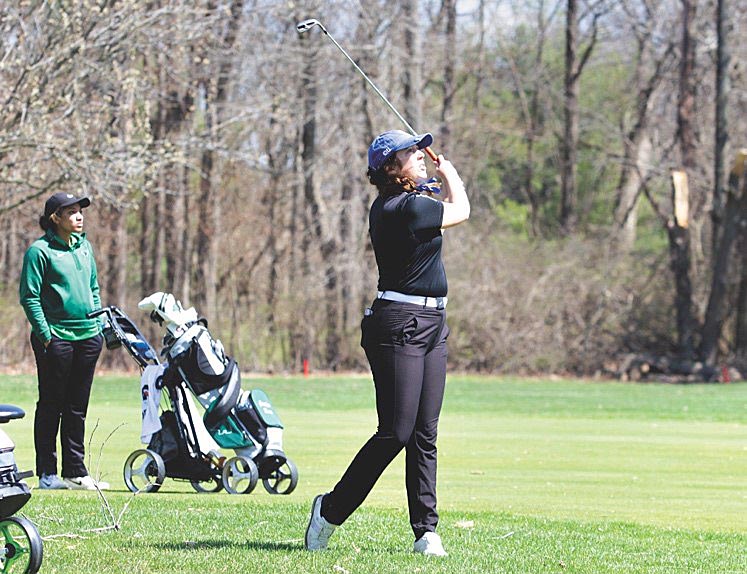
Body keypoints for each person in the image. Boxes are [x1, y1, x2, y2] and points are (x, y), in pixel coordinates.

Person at [305, 130, 470, 556]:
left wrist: (437, 176)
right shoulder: (402, 207)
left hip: (433, 321)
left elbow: (439, 201)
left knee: (424, 433)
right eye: (409, 154)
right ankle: (328, 511)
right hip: (399, 323)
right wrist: (450, 173)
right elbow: (462, 211)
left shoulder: (413, 198)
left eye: (419, 151)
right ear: (389, 169)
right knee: (395, 431)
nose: (418, 156)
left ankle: (426, 531)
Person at [19, 192, 109, 491]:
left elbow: (94, 288)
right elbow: (29, 297)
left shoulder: (85, 248)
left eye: (80, 211)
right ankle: (47, 473)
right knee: (51, 405)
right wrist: (46, 336)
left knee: (76, 408)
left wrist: (97, 326)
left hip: (87, 337)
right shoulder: (39, 251)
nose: (79, 216)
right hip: (56, 339)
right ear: (55, 217)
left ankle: (75, 471)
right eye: (71, 212)